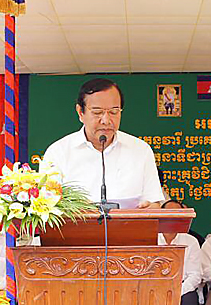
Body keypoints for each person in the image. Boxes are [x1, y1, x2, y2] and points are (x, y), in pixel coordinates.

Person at [42, 78, 165, 209]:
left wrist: (149, 208)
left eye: (113, 112)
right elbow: (47, 206)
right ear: (80, 112)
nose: (106, 120)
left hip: (129, 229)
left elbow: (154, 203)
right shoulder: (58, 152)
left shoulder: (141, 150)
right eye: (97, 112)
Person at [160, 200, 203, 305]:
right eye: (168, 214)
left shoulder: (191, 241)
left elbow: (195, 275)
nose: (172, 218)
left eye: (177, 214)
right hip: (155, 288)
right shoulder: (150, 239)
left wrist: (177, 291)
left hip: (183, 287)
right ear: (160, 216)